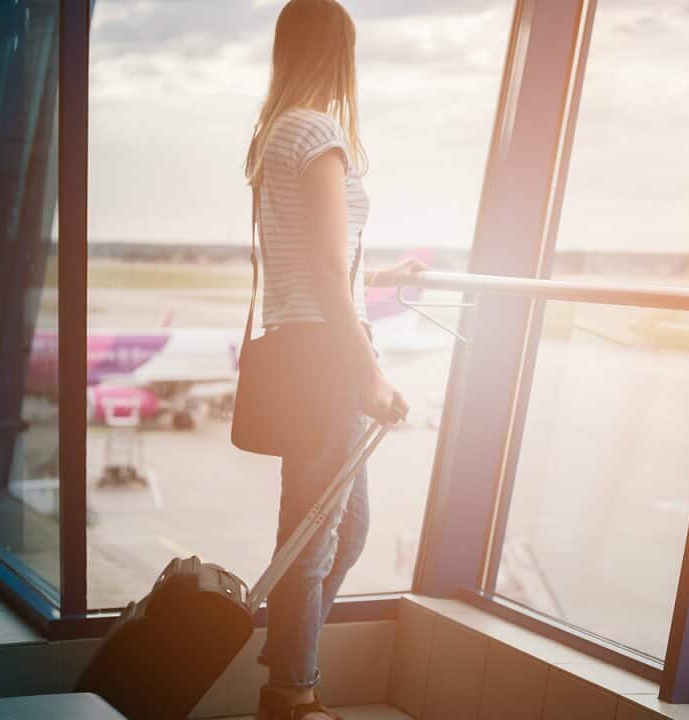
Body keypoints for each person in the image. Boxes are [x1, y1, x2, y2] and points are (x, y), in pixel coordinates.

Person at [242, 1, 421, 717]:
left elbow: (314, 259)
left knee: (342, 529)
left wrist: (379, 276)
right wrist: (368, 371)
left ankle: (289, 667)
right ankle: (294, 694)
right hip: (325, 358)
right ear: (338, 55)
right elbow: (320, 264)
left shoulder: (276, 134)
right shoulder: (318, 132)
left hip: (301, 346)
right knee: (315, 538)